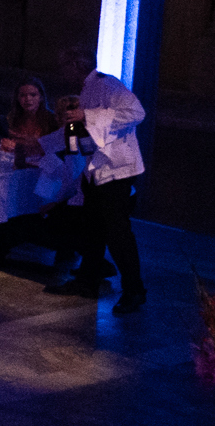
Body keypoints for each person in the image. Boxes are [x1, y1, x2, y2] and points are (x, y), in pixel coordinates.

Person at [53, 69, 148, 311]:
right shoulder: (87, 88)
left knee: (118, 235)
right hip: (96, 170)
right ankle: (87, 281)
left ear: (76, 63)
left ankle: (134, 290)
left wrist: (88, 114)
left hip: (117, 171)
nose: (62, 72)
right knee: (92, 229)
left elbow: (137, 113)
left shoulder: (108, 84)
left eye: (65, 65)